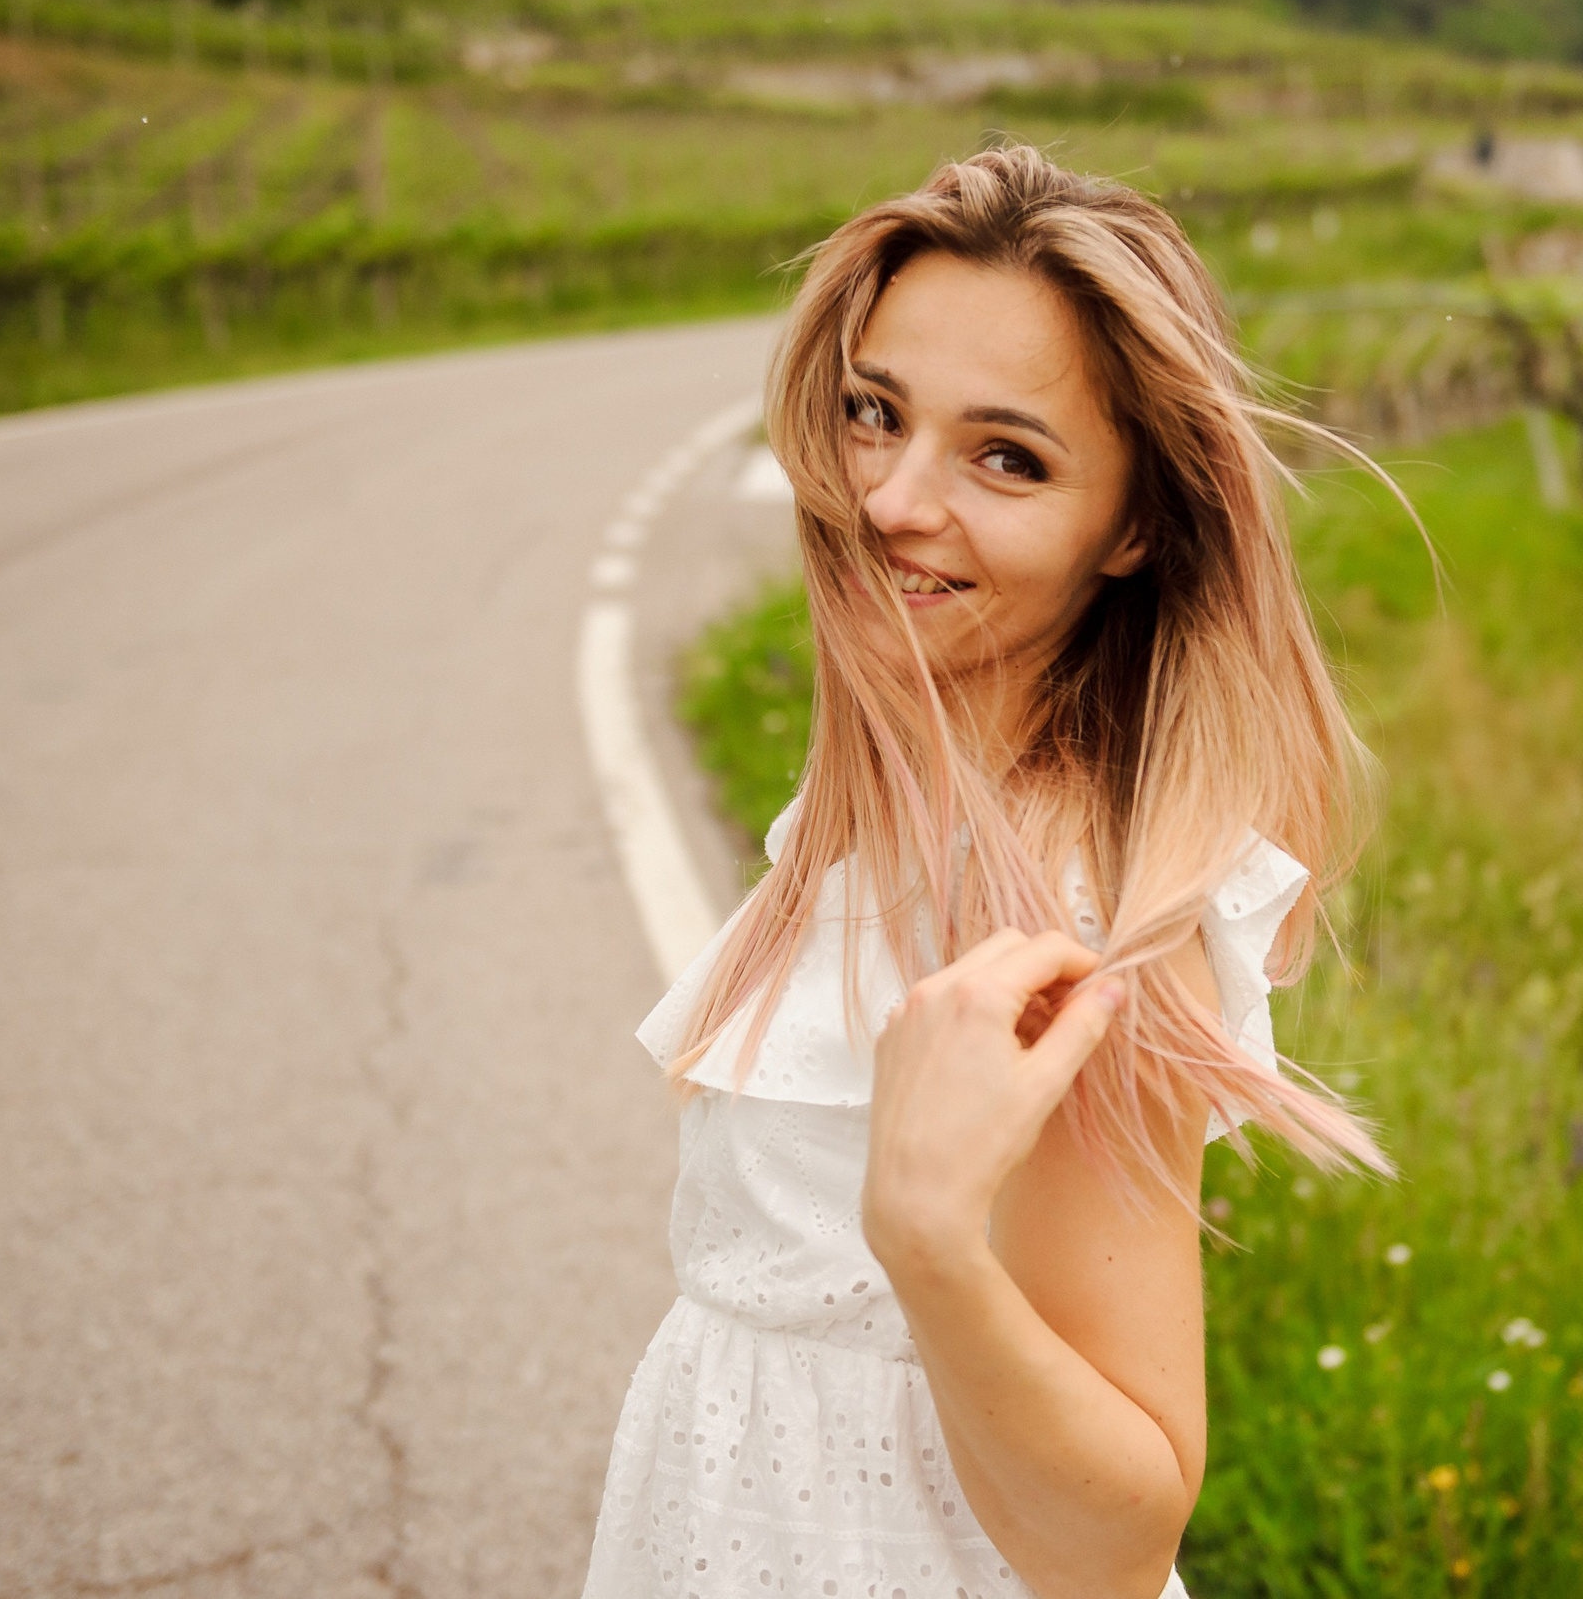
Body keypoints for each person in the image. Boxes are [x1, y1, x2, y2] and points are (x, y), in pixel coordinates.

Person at [579, 145, 1392, 1599]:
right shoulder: (905, 810)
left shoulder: (1067, 925)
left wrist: (929, 1240)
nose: (889, 500)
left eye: (1005, 457)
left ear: (1134, 527)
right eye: (871, 415)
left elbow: (1116, 1540)